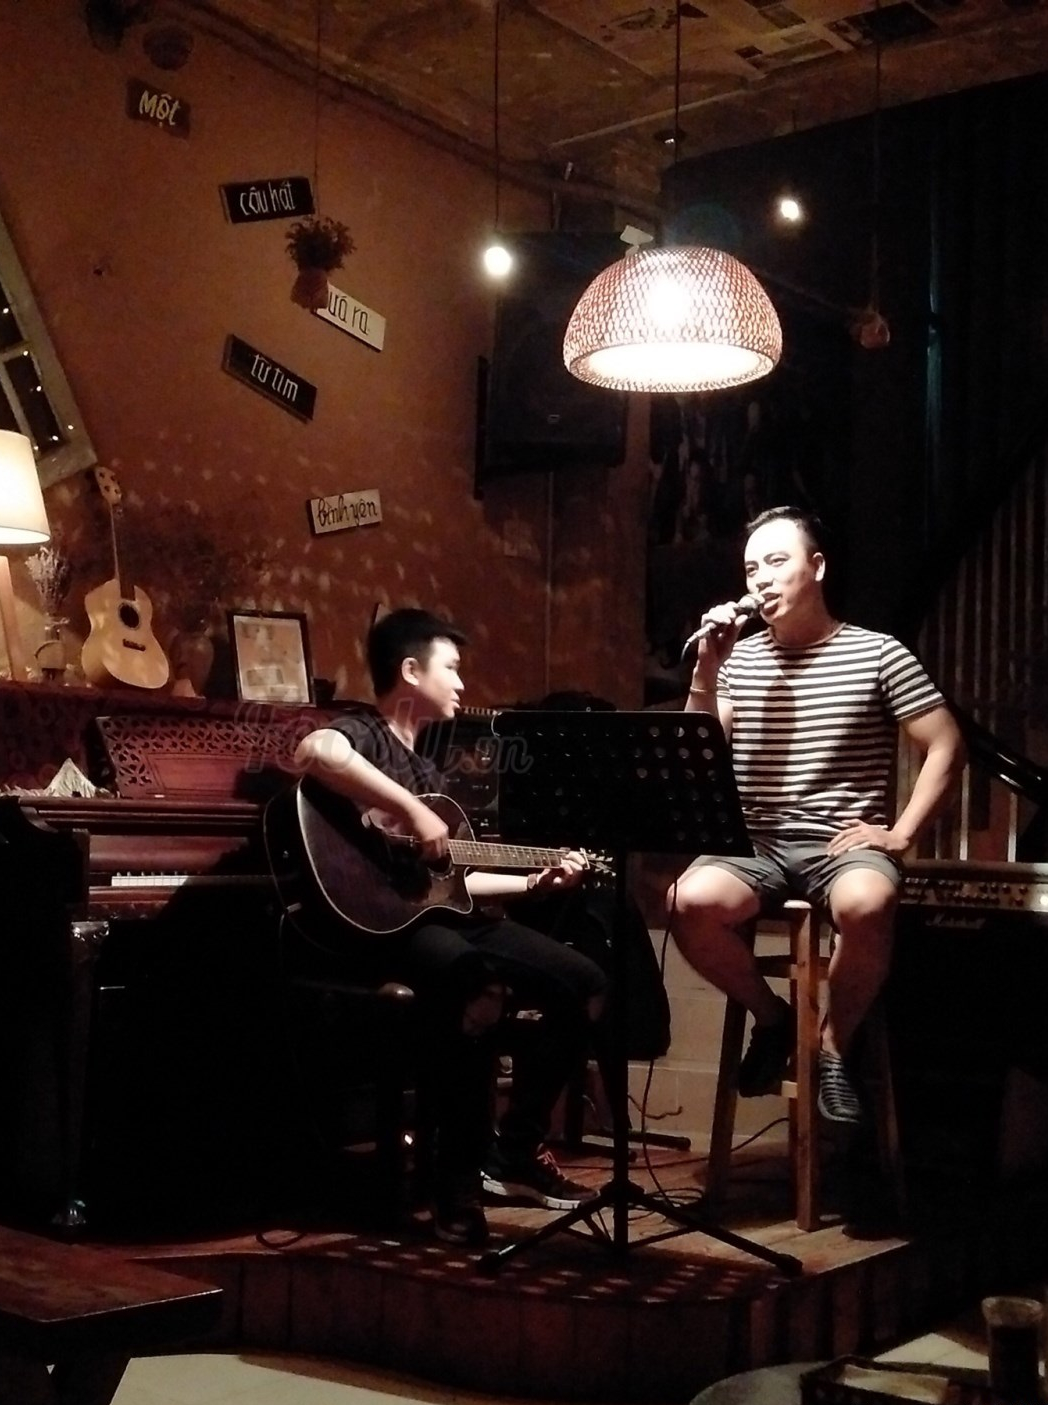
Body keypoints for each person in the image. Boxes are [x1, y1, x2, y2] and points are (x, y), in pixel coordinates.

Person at [292, 609, 607, 1245]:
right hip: (380, 926)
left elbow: (454, 883)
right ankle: (454, 1189)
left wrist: (533, 883)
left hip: (437, 917)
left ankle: (514, 1148)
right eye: (453, 668)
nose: (463, 683)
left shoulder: (431, 773)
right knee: (473, 983)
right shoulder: (365, 732)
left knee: (586, 982)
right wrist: (411, 810)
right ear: (411, 671)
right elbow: (314, 752)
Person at [668, 506, 964, 1124]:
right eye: (751, 568)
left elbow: (946, 744)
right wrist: (707, 669)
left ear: (818, 567)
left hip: (841, 842)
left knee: (867, 904)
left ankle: (832, 1046)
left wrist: (901, 833)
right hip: (755, 840)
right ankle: (774, 1018)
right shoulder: (740, 660)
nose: (761, 579)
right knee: (685, 902)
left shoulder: (878, 653)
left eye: (777, 562)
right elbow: (700, 752)